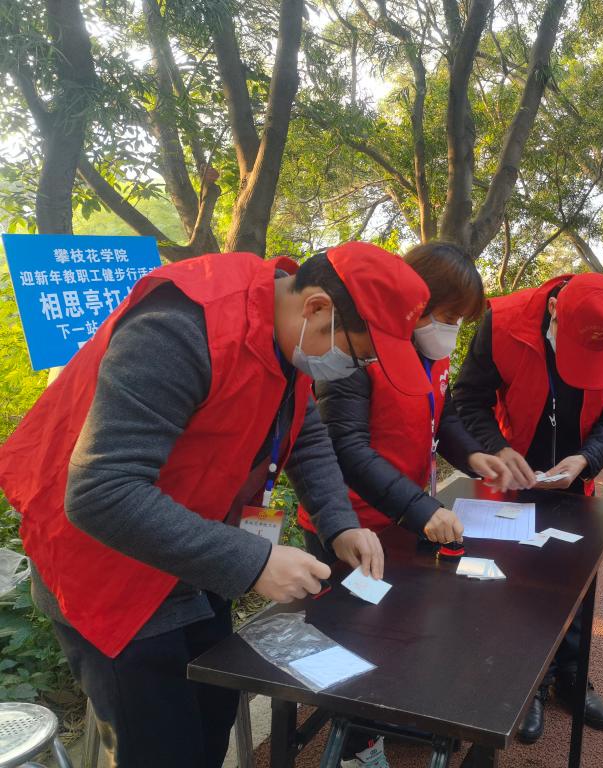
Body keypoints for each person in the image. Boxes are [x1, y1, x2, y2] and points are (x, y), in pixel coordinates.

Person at [0, 243, 430, 768]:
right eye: (357, 355)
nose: (351, 369)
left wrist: (340, 524)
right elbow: (100, 492)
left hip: (194, 550)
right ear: (317, 307)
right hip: (110, 568)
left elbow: (305, 434)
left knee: (212, 718)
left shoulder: (289, 332)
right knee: (160, 749)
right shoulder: (180, 328)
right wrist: (255, 561)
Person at [296, 242, 512, 765]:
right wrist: (419, 509)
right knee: (354, 639)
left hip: (407, 515)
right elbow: (345, 448)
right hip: (350, 523)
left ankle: (389, 720)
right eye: (446, 316)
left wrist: (474, 454)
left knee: (398, 630)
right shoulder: (355, 350)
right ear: (417, 305)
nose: (450, 330)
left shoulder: (430, 354)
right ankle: (358, 746)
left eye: (458, 321)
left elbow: (445, 416)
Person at [453, 271, 603, 743]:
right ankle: (529, 682)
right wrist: (497, 449)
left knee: (576, 574)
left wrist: (587, 458)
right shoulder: (503, 321)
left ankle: (572, 675)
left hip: (574, 476)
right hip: (511, 475)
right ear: (555, 310)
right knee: (515, 578)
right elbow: (469, 400)